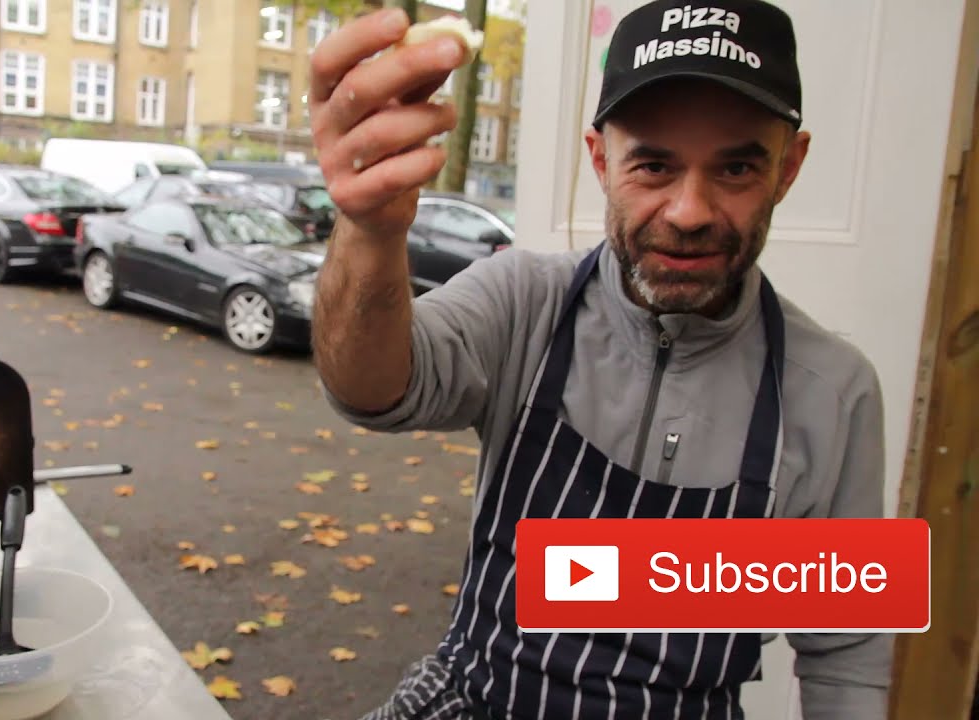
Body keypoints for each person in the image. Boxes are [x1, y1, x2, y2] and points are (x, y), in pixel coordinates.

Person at [306, 0, 892, 718]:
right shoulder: (525, 301)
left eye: (737, 168)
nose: (689, 210)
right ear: (600, 159)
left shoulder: (834, 393)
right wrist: (369, 231)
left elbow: (850, 654)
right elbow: (370, 391)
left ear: (789, 168)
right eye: (653, 164)